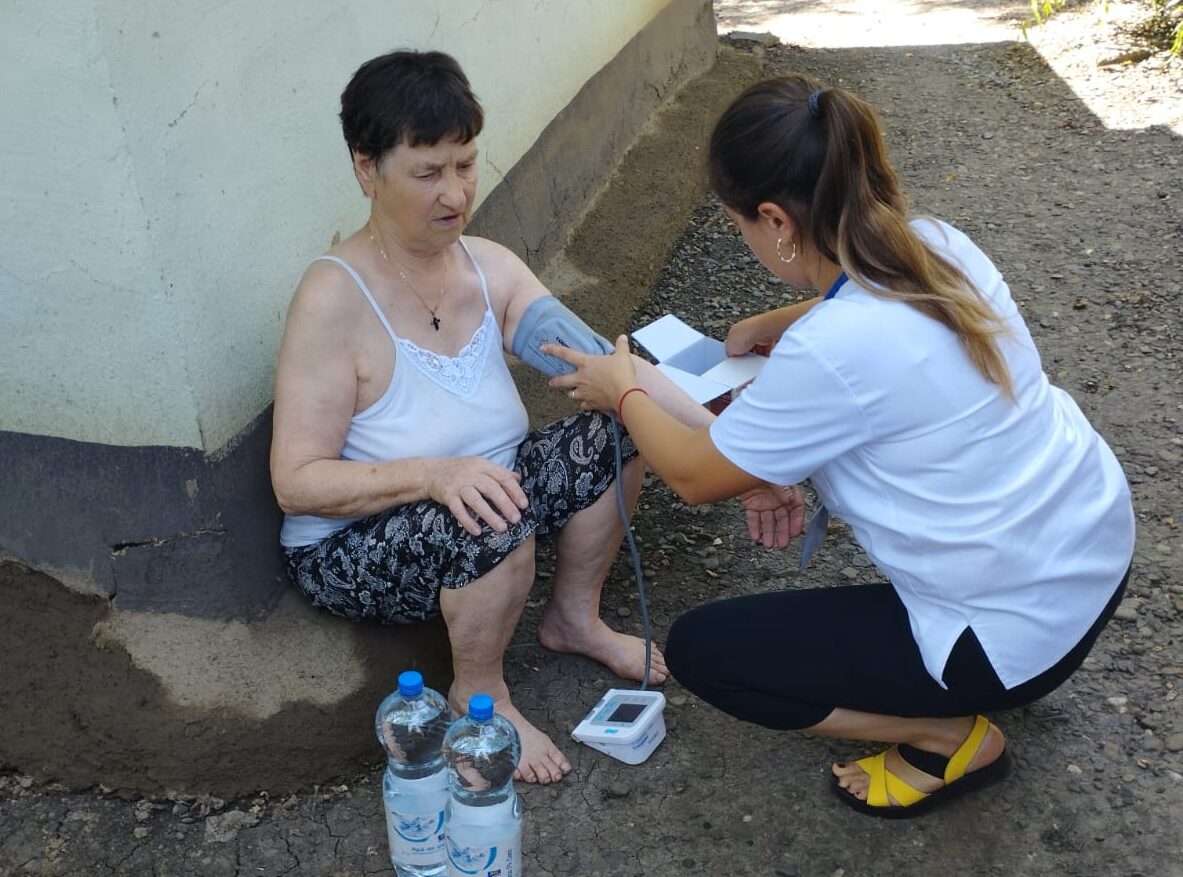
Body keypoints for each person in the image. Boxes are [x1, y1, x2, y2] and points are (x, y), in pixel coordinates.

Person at [547, 75, 1135, 817]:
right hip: (1095, 557)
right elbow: (865, 304)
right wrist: (772, 321)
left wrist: (622, 389)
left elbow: (692, 475)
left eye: (739, 224)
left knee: (705, 651)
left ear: (774, 219)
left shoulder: (831, 351)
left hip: (1005, 639)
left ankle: (947, 735)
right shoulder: (936, 243)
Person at [269, 50, 787, 784]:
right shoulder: (332, 299)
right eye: (428, 172)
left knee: (619, 420)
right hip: (351, 545)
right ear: (366, 168)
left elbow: (616, 372)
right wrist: (434, 475)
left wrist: (743, 462)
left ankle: (574, 617)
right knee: (492, 507)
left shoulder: (489, 268)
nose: (455, 193)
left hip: (481, 497)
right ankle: (479, 693)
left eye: (466, 164)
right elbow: (296, 483)